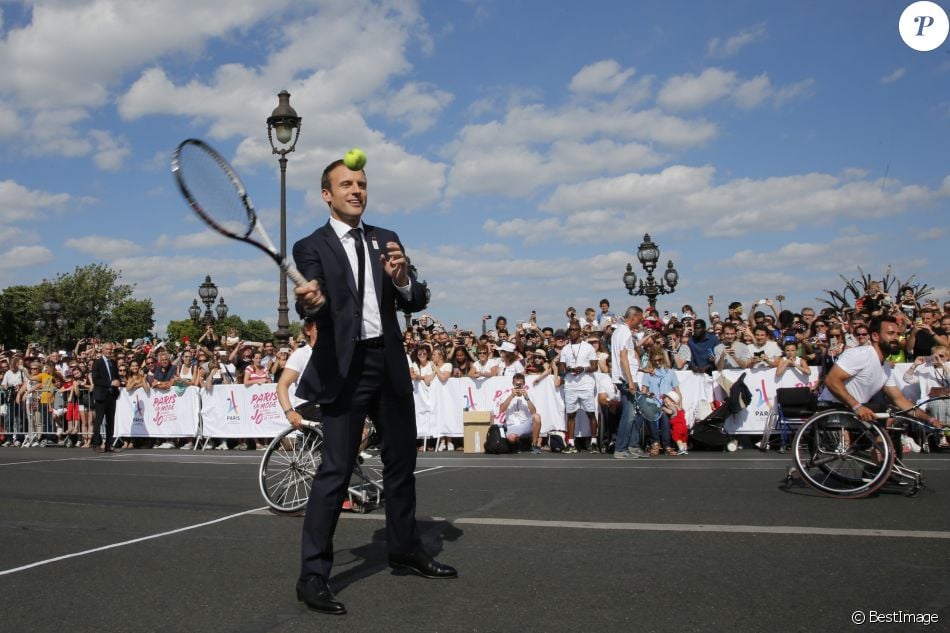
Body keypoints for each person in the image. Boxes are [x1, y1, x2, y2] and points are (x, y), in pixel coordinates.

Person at [291, 158, 456, 617]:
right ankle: (312, 575)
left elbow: (416, 298)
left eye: (361, 184)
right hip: (344, 367)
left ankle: (404, 549)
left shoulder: (387, 238)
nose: (356, 190)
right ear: (327, 194)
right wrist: (312, 303)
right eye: (346, 184)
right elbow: (313, 304)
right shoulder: (311, 246)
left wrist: (404, 280)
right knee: (336, 470)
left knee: (402, 461)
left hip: (388, 360)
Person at [819, 316, 944, 435]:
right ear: (875, 336)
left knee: (893, 417)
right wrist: (857, 406)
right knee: (884, 412)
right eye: (890, 333)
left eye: (898, 334)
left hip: (854, 409)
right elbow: (831, 380)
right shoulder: (860, 354)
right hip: (834, 406)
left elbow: (900, 400)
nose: (896, 337)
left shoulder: (885, 368)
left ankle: (884, 454)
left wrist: (930, 419)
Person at [611, 306, 647, 458]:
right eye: (640, 319)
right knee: (629, 414)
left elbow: (629, 357)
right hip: (626, 379)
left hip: (628, 377)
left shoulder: (620, 331)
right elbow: (623, 357)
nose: (640, 322)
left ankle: (633, 445)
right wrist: (631, 382)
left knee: (635, 413)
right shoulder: (624, 331)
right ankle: (620, 448)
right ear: (633, 317)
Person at [557, 321, 598, 453]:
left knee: (591, 413)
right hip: (570, 385)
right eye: (571, 330)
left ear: (580, 331)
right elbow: (561, 370)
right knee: (571, 415)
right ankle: (571, 443)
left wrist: (584, 369)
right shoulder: (565, 349)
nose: (573, 332)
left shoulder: (588, 347)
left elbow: (595, 366)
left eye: (575, 329)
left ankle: (594, 442)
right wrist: (568, 369)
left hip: (586, 384)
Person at [496, 372, 542, 453]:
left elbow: (534, 412)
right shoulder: (507, 394)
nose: (518, 386)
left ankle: (534, 444)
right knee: (511, 438)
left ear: (523, 384)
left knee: (537, 417)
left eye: (520, 384)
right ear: (513, 384)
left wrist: (527, 398)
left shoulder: (528, 395)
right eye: (516, 384)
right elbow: (501, 410)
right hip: (512, 426)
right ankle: (520, 443)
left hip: (525, 425)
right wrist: (511, 396)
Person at [90, 342, 121, 453]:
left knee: (110, 421)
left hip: (111, 395)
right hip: (101, 395)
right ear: (102, 350)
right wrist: (110, 383)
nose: (109, 351)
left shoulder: (113, 363)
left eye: (110, 349)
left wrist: (118, 382)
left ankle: (109, 445)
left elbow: (116, 377)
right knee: (98, 421)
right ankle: (96, 444)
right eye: (107, 349)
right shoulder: (97, 363)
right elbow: (95, 379)